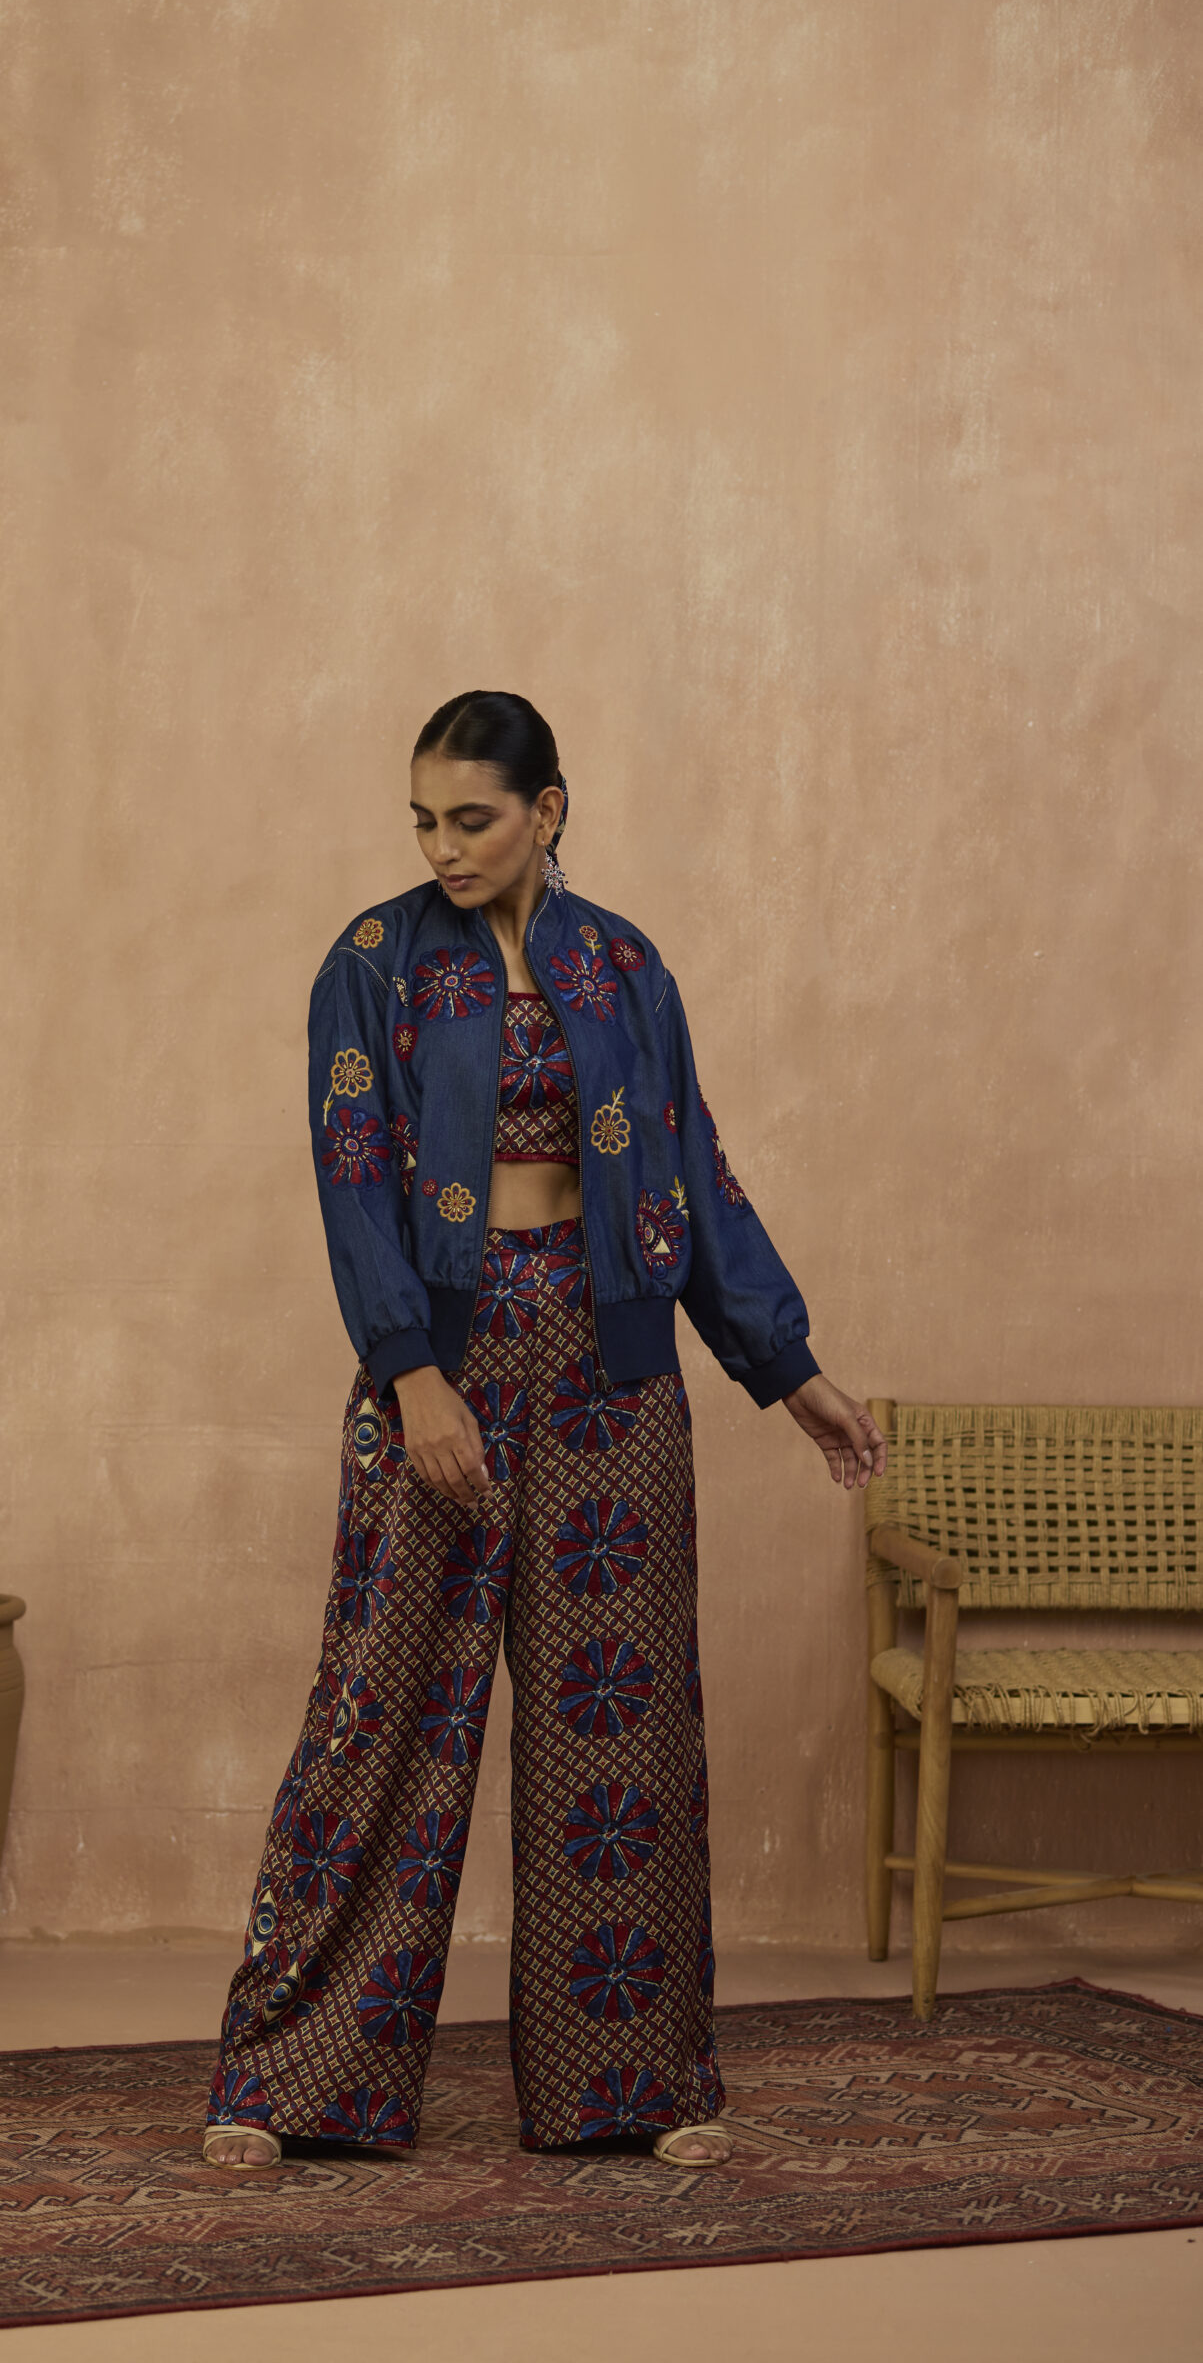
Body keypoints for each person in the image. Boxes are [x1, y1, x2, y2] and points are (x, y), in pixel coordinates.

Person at [203, 690, 884, 2172]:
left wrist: (790, 1369)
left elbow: (691, 1170)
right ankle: (293, 2083)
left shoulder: (624, 966)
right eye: (425, 822)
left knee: (618, 1727)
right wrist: (412, 1374)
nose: (444, 848)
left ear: (547, 810)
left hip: (612, 1371)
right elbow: (351, 1175)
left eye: (474, 818)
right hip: (442, 1367)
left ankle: (629, 2085)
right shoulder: (373, 963)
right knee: (383, 1713)